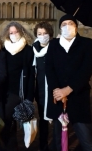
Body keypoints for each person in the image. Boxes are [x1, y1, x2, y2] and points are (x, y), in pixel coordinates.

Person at [45, 14, 92, 151]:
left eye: (71, 23)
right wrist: (58, 91)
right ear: (60, 28)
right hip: (57, 98)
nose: (67, 26)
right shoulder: (53, 44)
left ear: (76, 27)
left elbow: (86, 71)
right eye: (64, 24)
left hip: (78, 97)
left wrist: (68, 89)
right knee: (58, 139)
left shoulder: (87, 43)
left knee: (87, 139)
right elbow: (49, 70)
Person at [0, 21, 35, 151]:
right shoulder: (3, 49)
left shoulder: (28, 50)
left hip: (18, 91)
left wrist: (29, 97)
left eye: (16, 32)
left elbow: (31, 75)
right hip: (4, 90)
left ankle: (8, 146)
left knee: (7, 119)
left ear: (21, 32)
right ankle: (11, 146)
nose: (14, 34)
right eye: (11, 33)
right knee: (9, 122)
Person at [32, 22, 54, 151]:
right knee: (43, 121)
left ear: (50, 34)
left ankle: (58, 144)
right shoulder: (33, 49)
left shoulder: (55, 47)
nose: (42, 36)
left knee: (57, 120)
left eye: (45, 33)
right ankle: (43, 146)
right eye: (39, 34)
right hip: (40, 90)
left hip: (53, 90)